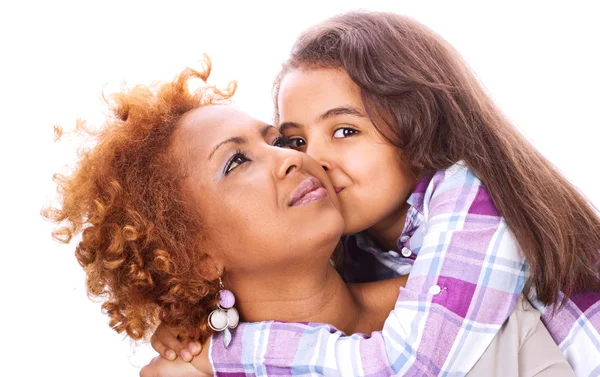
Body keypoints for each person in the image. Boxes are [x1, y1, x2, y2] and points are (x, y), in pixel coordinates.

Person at [149, 11, 600, 376]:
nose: (309, 160)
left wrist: (220, 352)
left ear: (420, 123)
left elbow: (406, 365)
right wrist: (191, 322)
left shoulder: (472, 197)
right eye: (296, 140)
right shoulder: (357, 246)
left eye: (345, 130)